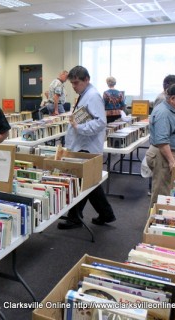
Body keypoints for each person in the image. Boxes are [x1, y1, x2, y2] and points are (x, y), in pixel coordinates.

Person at [57, 66, 116, 229]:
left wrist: (78, 127)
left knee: (82, 181)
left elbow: (100, 122)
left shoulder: (93, 95)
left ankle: (76, 217)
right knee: (89, 182)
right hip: (83, 145)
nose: (74, 87)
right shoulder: (86, 94)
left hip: (86, 147)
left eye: (76, 83)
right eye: (72, 84)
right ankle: (105, 214)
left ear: (86, 80)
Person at [146, 83, 175, 206]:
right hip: (164, 158)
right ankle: (153, 223)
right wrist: (172, 161)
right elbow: (162, 142)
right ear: (172, 98)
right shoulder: (164, 113)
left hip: (168, 156)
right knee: (162, 194)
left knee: (167, 192)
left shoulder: (170, 109)